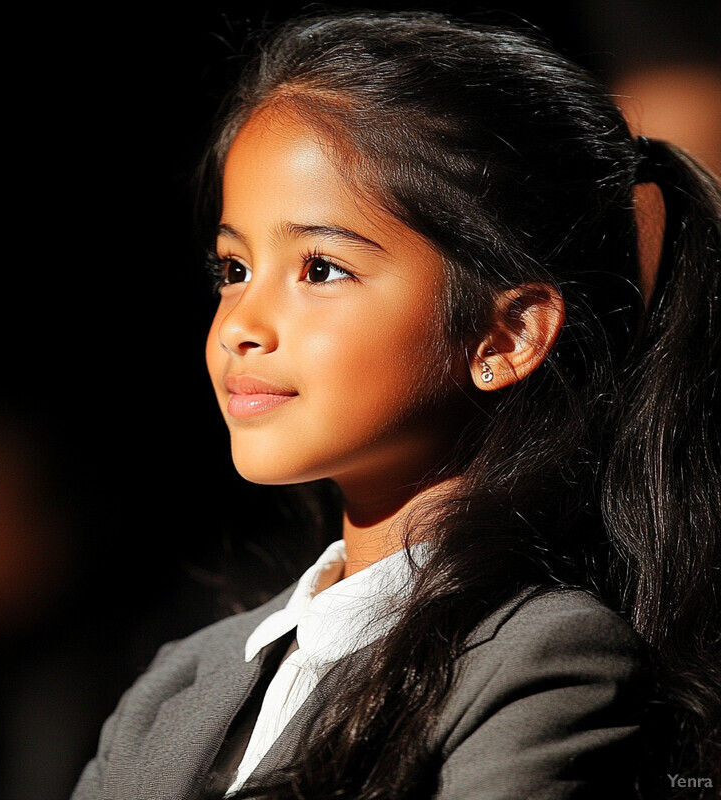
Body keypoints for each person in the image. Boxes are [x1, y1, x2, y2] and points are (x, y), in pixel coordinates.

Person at [71, 9, 721, 799]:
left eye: (321, 269)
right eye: (233, 270)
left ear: (505, 335)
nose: (241, 325)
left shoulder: (537, 660)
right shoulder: (176, 686)